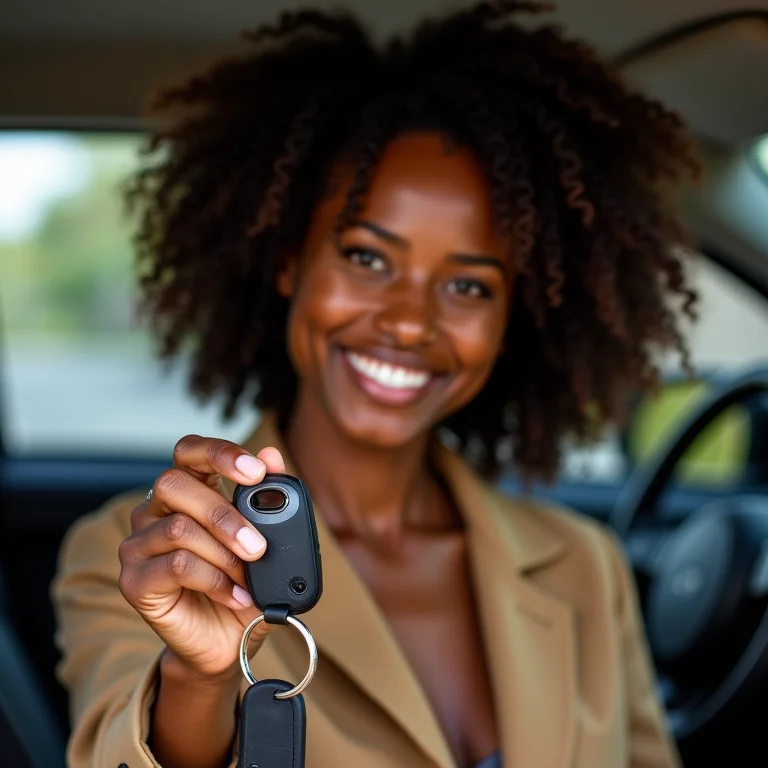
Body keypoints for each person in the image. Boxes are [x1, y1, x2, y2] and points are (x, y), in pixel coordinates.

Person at [52, 2, 700, 767]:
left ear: (511, 321)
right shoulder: (145, 554)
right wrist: (202, 679)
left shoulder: (587, 566)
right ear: (292, 261)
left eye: (468, 287)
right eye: (367, 258)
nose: (408, 322)